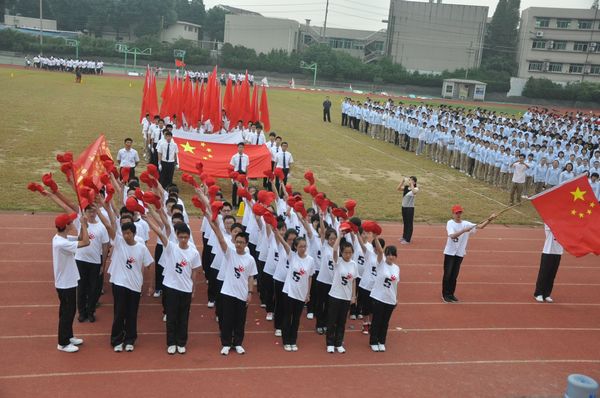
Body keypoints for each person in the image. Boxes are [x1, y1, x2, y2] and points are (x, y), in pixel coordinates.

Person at [147, 206, 201, 354]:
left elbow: (194, 272)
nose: (183, 239)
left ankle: (181, 342)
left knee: (183, 317)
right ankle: (171, 343)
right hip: (170, 287)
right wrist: (149, 221)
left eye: (186, 237)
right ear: (176, 235)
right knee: (171, 316)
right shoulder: (171, 248)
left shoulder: (194, 253)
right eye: (181, 236)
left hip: (186, 288)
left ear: (189, 237)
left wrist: (194, 289)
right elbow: (160, 232)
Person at [106, 207, 154, 352]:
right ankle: (116, 340)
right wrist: (105, 205)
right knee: (119, 312)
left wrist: (150, 286)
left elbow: (150, 265)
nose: (126, 236)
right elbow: (109, 227)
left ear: (134, 233)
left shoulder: (141, 248)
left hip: (135, 286)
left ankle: (130, 339)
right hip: (120, 284)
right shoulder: (119, 243)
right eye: (124, 233)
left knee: (132, 314)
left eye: (128, 233)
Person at [209, 217, 257, 356]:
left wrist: (250, 293)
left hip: (242, 294)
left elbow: (250, 277)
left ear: (246, 244)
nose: (239, 244)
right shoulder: (230, 254)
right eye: (237, 242)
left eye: (241, 242)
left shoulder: (250, 259)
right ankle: (225, 343)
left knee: (240, 320)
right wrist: (216, 226)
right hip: (228, 292)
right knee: (227, 319)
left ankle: (237, 343)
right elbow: (221, 240)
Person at [442, 205, 496, 303]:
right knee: (447, 274)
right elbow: (452, 236)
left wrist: (490, 219)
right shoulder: (450, 223)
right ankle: (445, 294)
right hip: (450, 253)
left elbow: (480, 226)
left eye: (459, 213)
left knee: (454, 275)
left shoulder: (466, 223)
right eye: (456, 213)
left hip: (459, 253)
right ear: (453, 214)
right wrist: (464, 230)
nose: (458, 214)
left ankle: (451, 294)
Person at [53, 213, 90, 352]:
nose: (73, 223)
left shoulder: (62, 238)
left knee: (69, 310)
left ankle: (68, 336)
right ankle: (62, 343)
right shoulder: (61, 243)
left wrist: (83, 225)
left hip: (67, 281)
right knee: (67, 312)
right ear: (67, 226)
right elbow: (86, 242)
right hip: (65, 283)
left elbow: (80, 238)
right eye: (71, 222)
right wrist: (84, 225)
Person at [75, 204, 110, 323]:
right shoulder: (82, 223)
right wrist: (82, 226)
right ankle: (81, 312)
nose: (91, 213)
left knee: (93, 288)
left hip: (95, 261)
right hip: (80, 259)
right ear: (85, 212)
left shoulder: (101, 227)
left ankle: (91, 311)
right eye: (89, 211)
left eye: (93, 211)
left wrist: (103, 264)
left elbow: (105, 247)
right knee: (81, 287)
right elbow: (79, 239)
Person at [280, 236, 315, 351]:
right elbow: (284, 243)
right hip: (289, 292)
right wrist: (276, 231)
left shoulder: (310, 260)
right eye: (300, 246)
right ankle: (286, 341)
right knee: (287, 317)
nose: (303, 248)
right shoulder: (292, 256)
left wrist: (308, 293)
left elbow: (309, 277)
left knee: (296, 319)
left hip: (301, 293)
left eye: (305, 246)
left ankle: (293, 340)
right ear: (295, 247)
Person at [326, 232, 358, 353]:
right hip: (335, 295)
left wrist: (353, 296)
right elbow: (334, 250)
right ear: (342, 252)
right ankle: (330, 343)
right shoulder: (338, 262)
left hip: (346, 297)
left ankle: (338, 343)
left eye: (350, 252)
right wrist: (340, 235)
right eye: (345, 252)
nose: (348, 255)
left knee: (342, 322)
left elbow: (354, 281)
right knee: (332, 320)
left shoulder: (353, 264)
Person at [369, 241, 399, 352]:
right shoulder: (381, 264)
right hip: (379, 297)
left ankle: (381, 341)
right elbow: (380, 251)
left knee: (385, 322)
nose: (391, 257)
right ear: (385, 255)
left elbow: (395, 284)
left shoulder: (396, 268)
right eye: (389, 254)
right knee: (377, 320)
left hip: (390, 298)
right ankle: (373, 341)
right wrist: (376, 237)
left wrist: (396, 298)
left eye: (393, 254)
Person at [533, 224, 563, 303]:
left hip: (558, 252)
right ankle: (538, 293)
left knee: (552, 274)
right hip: (548, 252)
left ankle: (547, 294)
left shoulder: (564, 225)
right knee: (544, 274)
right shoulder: (549, 223)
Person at [397, 176, 418, 244]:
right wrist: (402, 181)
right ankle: (404, 237)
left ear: (414, 182)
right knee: (405, 223)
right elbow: (398, 188)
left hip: (410, 208)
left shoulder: (416, 188)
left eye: (411, 180)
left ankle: (408, 239)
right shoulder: (406, 187)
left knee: (409, 223)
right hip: (404, 207)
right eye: (409, 180)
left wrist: (412, 184)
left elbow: (414, 192)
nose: (409, 181)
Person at [229, 143, 249, 207]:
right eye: (239, 147)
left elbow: (246, 167)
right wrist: (232, 178)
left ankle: (240, 204)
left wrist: (247, 176)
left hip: (242, 174)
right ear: (237, 148)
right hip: (236, 174)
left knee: (242, 190)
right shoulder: (234, 157)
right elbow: (231, 167)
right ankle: (234, 204)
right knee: (235, 189)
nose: (241, 149)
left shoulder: (246, 157)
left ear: (244, 148)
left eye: (242, 147)